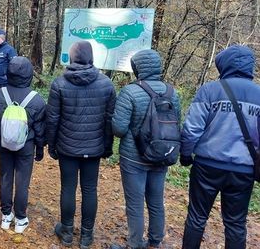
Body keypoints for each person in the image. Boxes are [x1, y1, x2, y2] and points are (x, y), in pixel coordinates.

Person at [180, 45, 260, 249]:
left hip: (207, 166)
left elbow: (192, 129)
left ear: (225, 65)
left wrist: (186, 154)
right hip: (243, 170)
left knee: (197, 217)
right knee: (235, 223)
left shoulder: (210, 90)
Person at [46, 41, 116, 248]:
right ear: (91, 57)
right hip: (94, 148)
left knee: (68, 188)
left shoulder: (59, 83)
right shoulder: (106, 84)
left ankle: (67, 231)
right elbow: (109, 120)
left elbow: (52, 119)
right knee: (89, 189)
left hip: (67, 147)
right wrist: (107, 146)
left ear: (72, 57)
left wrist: (51, 145)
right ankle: (86, 235)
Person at [111, 49, 181, 249]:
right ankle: (155, 241)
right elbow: (177, 125)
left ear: (138, 68)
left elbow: (119, 128)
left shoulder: (130, 91)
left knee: (135, 204)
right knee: (156, 200)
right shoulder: (172, 92)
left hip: (134, 158)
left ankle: (135, 244)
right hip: (162, 155)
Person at [0, 56, 46, 234]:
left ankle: (6, 216)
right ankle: (20, 218)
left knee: (5, 179)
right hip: (26, 147)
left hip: (4, 144)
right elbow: (40, 129)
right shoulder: (36, 100)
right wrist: (40, 148)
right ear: (29, 74)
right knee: (23, 182)